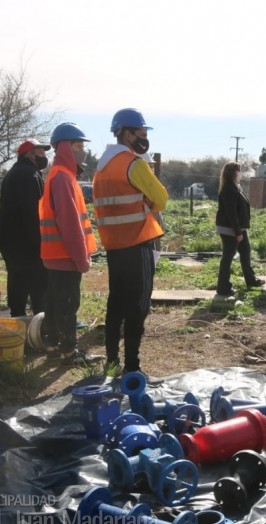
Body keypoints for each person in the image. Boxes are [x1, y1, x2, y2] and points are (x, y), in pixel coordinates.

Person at [93, 108, 168, 375]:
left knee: (115, 305)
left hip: (114, 246)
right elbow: (161, 198)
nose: (144, 138)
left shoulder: (100, 168)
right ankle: (132, 366)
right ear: (127, 133)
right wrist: (147, 202)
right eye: (142, 133)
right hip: (138, 244)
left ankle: (112, 362)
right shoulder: (133, 163)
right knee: (138, 307)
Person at [39, 123, 101, 365]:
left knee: (54, 303)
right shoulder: (63, 178)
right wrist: (81, 257)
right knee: (67, 304)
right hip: (65, 257)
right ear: (65, 147)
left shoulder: (58, 175)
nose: (82, 150)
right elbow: (70, 223)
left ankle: (53, 346)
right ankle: (69, 352)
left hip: (54, 255)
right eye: (78, 145)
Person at [0, 138, 50, 316]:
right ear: (29, 154)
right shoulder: (28, 175)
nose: (44, 156)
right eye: (40, 152)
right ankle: (38, 327)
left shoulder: (18, 172)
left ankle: (18, 323)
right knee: (37, 285)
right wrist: (40, 243)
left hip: (11, 240)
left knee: (17, 284)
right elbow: (32, 212)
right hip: (24, 242)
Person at [215, 162, 265, 296]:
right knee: (228, 257)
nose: (241, 173)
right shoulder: (229, 189)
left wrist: (240, 229)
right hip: (230, 229)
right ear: (232, 172)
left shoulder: (237, 187)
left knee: (246, 252)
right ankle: (223, 287)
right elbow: (231, 213)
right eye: (239, 170)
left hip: (239, 228)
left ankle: (251, 280)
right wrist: (237, 231)